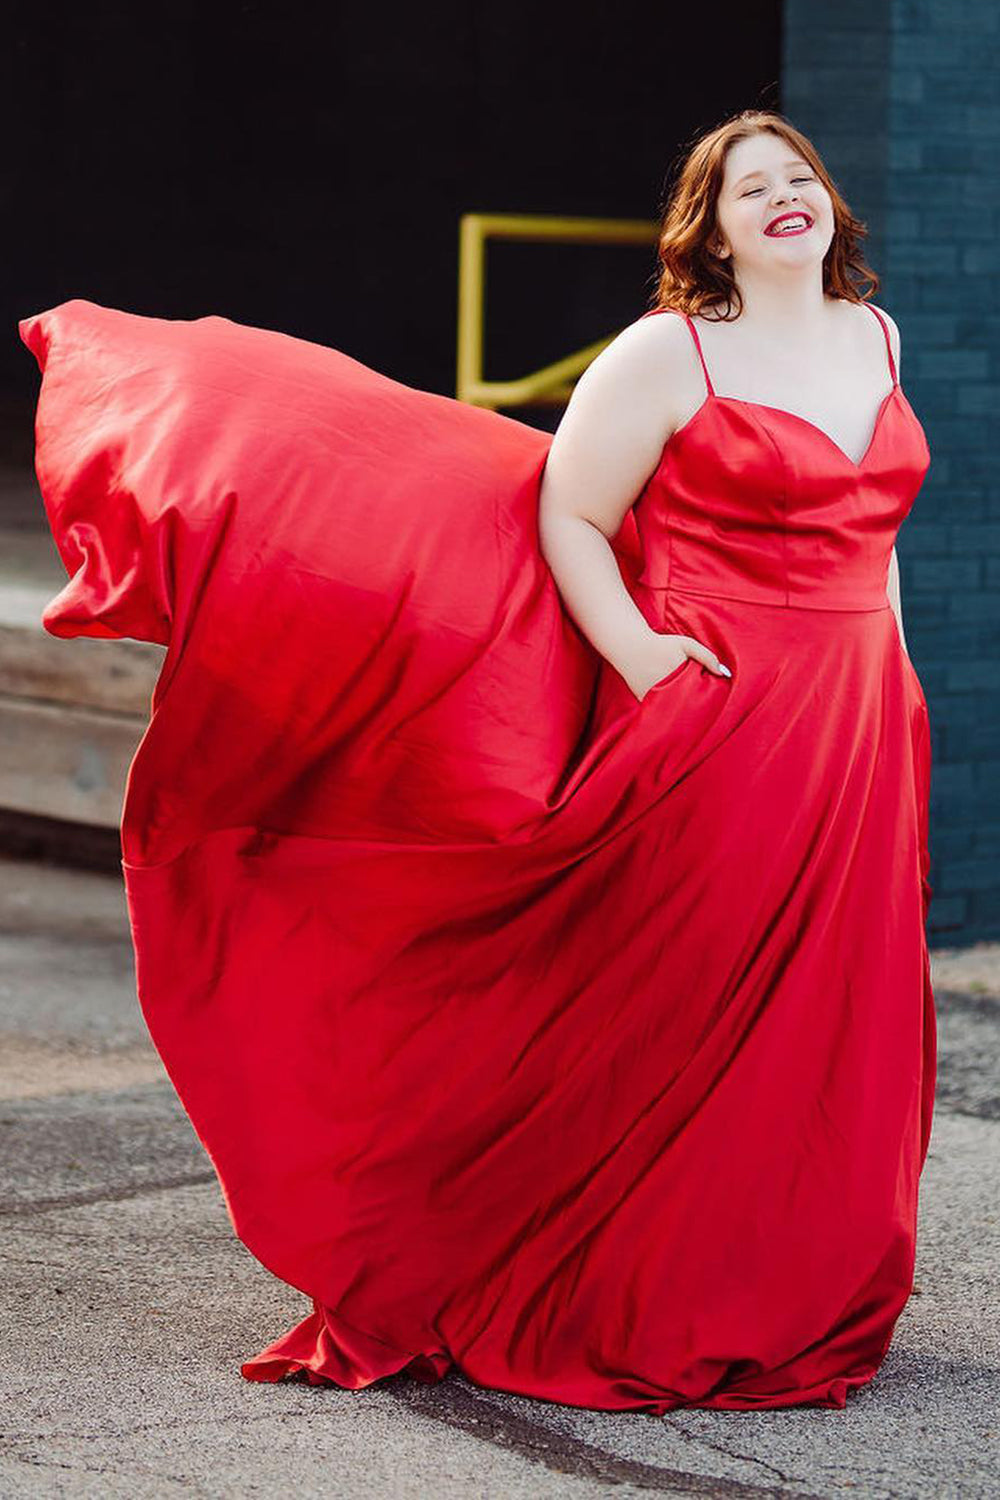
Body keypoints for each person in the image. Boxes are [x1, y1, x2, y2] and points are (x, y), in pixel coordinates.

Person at [19, 107, 935, 1415]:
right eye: (748, 189)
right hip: (721, 714)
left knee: (828, 1013)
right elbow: (570, 511)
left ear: (828, 203)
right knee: (693, 1002)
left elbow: (877, 538)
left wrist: (898, 672)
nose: (781, 196)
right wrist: (640, 656)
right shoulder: (669, 353)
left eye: (798, 176)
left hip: (862, 718)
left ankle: (795, 1279)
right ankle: (637, 1282)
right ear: (713, 232)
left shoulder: (875, 338)